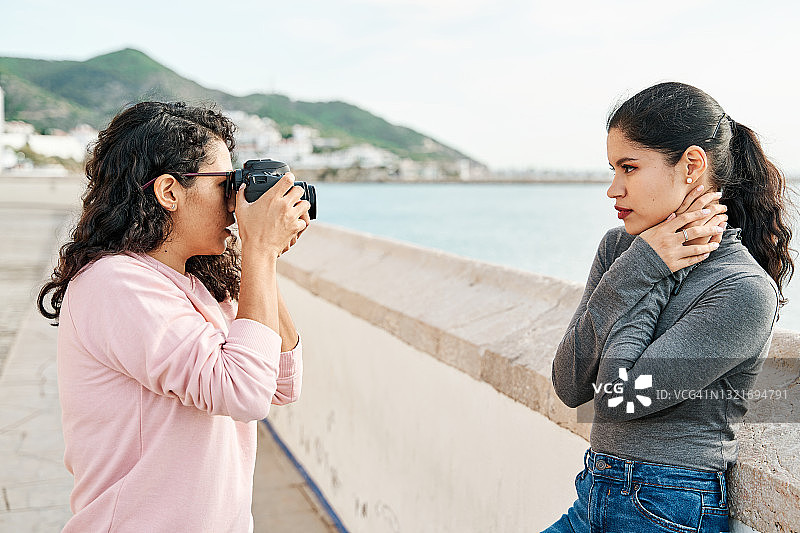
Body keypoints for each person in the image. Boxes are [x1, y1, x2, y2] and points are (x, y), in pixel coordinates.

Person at [37, 101, 311, 532]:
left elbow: (281, 381)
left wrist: (266, 255)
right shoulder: (116, 285)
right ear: (169, 192)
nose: (234, 202)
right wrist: (259, 249)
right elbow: (243, 392)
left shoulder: (193, 281)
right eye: (225, 184)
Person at [546, 82, 794, 532]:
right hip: (593, 493)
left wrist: (647, 269)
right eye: (612, 169)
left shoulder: (742, 288)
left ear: (691, 166)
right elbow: (568, 385)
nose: (613, 189)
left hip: (670, 507)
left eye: (629, 168)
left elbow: (618, 399)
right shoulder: (619, 251)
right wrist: (642, 264)